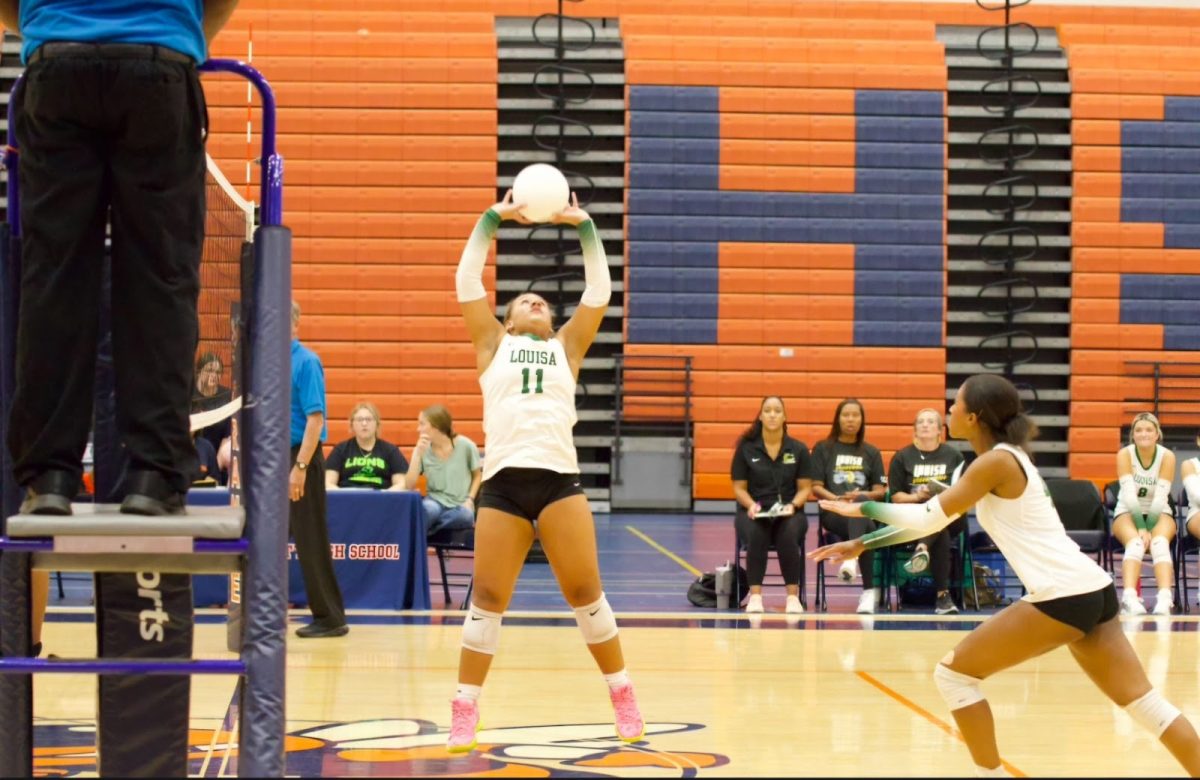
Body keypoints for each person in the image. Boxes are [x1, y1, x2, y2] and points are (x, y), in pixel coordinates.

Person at [810, 374, 1200, 778]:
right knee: (1145, 704)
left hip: (1062, 593)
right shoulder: (1001, 458)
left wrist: (864, 510)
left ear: (974, 417)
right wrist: (861, 545)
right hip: (1092, 587)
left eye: (955, 404)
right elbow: (934, 519)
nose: (948, 411)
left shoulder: (995, 461)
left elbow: (927, 517)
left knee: (953, 677)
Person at [0, 0, 240, 517]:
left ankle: (50, 476)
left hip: (57, 67)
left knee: (53, 281)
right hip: (157, 64)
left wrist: (65, 26)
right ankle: (153, 473)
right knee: (160, 280)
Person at [447, 190, 643, 753]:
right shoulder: (493, 345)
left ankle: (622, 691)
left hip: (559, 481)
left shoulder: (566, 348)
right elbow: (466, 282)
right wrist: (491, 219)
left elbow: (600, 291)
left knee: (586, 593)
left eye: (541, 300)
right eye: (524, 300)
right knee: (486, 596)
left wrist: (584, 225)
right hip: (505, 483)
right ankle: (466, 707)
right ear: (507, 320)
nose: (534, 301)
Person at [289, 301, 347, 639]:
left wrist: (300, 467)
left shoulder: (307, 362)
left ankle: (330, 618)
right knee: (263, 537)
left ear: (295, 325)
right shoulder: (267, 362)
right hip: (274, 456)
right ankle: (257, 612)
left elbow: (315, 419)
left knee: (310, 539)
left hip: (301, 458)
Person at [730, 396, 812, 614]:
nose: (773, 414)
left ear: (785, 416)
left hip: (789, 511)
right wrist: (750, 505)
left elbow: (805, 488)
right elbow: (739, 488)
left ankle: (792, 598)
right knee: (757, 534)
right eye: (768, 410)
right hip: (755, 510)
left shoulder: (798, 449)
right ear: (760, 416)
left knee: (788, 534)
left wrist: (793, 505)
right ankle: (756, 597)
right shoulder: (746, 449)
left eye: (777, 410)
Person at [810, 399, 887, 614]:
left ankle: (852, 560)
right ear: (837, 419)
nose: (851, 419)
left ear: (862, 421)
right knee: (869, 532)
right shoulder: (823, 448)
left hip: (864, 510)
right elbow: (815, 487)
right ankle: (869, 592)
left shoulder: (871, 452)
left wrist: (860, 497)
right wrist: (837, 500)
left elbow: (880, 491)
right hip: (834, 512)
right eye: (846, 415)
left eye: (855, 415)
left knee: (862, 506)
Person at [888, 408, 965, 615]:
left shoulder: (954, 456)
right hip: (916, 518)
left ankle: (921, 547)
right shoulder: (902, 457)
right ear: (914, 429)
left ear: (940, 430)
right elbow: (896, 497)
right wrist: (916, 497)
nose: (925, 425)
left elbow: (963, 492)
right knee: (941, 532)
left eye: (931, 421)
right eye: (920, 421)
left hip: (951, 516)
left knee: (942, 517)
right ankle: (943, 597)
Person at [1113, 413, 1177, 616]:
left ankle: (1165, 599)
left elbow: (1161, 495)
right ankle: (1129, 598)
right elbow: (1129, 495)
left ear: (1157, 433)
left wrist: (1149, 527)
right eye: (1138, 430)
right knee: (1136, 544)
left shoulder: (1167, 456)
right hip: (1128, 510)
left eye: (1149, 429)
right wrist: (1141, 527)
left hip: (1159, 512)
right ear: (1133, 435)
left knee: (1159, 543)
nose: (1144, 434)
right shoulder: (1125, 454)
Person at [404, 404, 482, 537]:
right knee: (429, 510)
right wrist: (417, 454)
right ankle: (426, 533)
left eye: (422, 424)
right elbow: (409, 485)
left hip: (460, 504)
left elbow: (477, 476)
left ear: (436, 426)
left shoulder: (467, 446)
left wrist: (470, 499)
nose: (418, 429)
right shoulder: (424, 450)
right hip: (434, 500)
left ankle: (427, 533)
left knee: (466, 516)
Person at [324, 401, 409, 490]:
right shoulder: (340, 450)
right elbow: (328, 483)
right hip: (348, 499)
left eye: (368, 419)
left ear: (377, 424)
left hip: (380, 500)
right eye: (360, 420)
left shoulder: (390, 451)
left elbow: (401, 484)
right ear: (352, 424)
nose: (364, 424)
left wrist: (384, 496)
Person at [191, 351, 233, 456]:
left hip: (219, 454)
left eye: (218, 372)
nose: (214, 375)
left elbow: (228, 434)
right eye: (209, 370)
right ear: (199, 371)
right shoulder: (190, 395)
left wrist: (217, 465)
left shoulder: (227, 396)